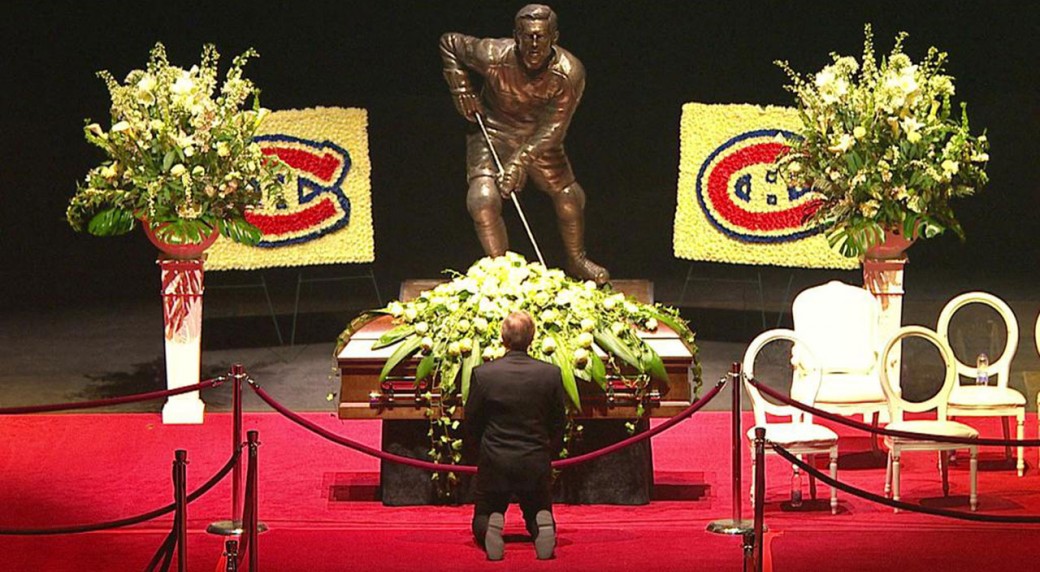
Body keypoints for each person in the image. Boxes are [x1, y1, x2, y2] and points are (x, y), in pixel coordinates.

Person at [439, 4, 610, 284]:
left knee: (569, 196)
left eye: (541, 37)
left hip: (539, 138)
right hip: (493, 130)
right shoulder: (493, 54)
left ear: (554, 37)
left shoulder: (570, 72)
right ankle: (502, 273)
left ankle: (577, 259)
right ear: (515, 36)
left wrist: (519, 160)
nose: (534, 43)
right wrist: (461, 89)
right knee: (482, 201)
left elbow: (555, 127)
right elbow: (449, 43)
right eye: (527, 36)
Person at [465, 311, 567, 560]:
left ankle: (490, 524)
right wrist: (546, 451)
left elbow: (472, 422)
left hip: (495, 460)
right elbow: (559, 423)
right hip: (534, 459)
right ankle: (542, 523)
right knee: (536, 508)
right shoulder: (550, 374)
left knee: (483, 514)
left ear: (503, 338)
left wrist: (483, 452)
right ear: (532, 338)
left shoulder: (483, 374)